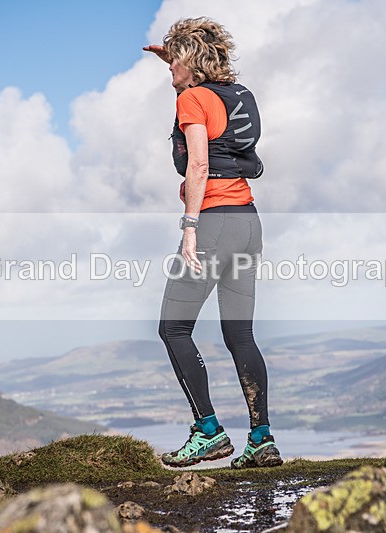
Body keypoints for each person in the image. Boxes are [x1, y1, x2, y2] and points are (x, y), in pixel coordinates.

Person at [144, 17, 282, 469]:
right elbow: (221, 128)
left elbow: (199, 165)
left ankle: (208, 431)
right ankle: (261, 439)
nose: (168, 71)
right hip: (248, 222)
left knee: (173, 327)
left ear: (190, 61)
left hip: (213, 223)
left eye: (173, 61)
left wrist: (189, 227)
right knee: (240, 334)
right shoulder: (238, 95)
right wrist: (178, 62)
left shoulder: (191, 98)